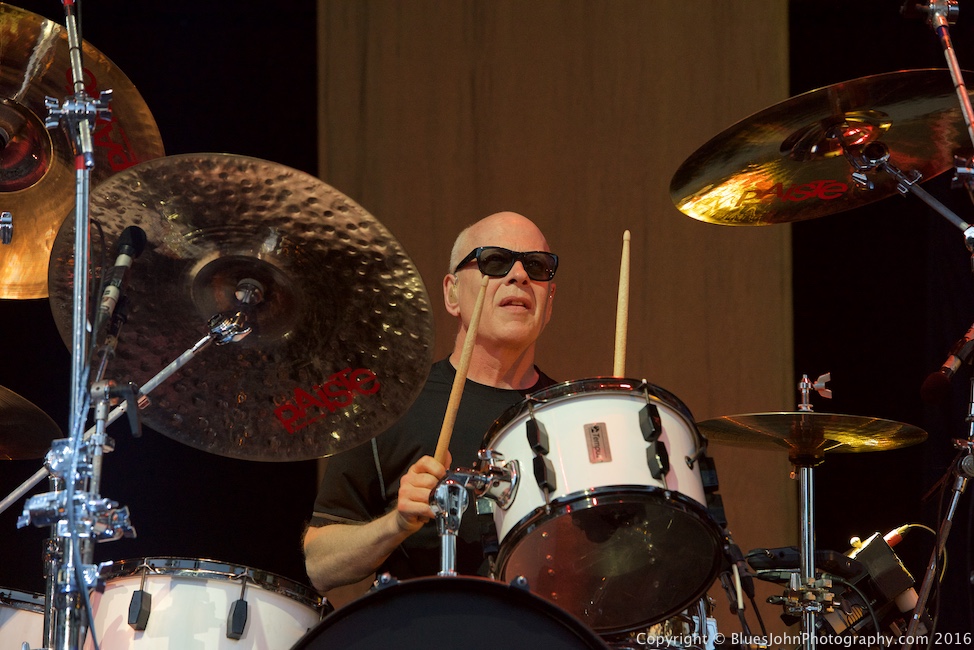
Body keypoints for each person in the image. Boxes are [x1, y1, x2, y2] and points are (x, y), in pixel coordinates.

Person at [302, 211, 559, 602]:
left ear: (549, 299)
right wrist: (396, 524)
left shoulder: (569, 417)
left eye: (537, 266)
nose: (520, 275)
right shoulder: (388, 405)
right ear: (452, 293)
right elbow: (319, 565)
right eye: (495, 260)